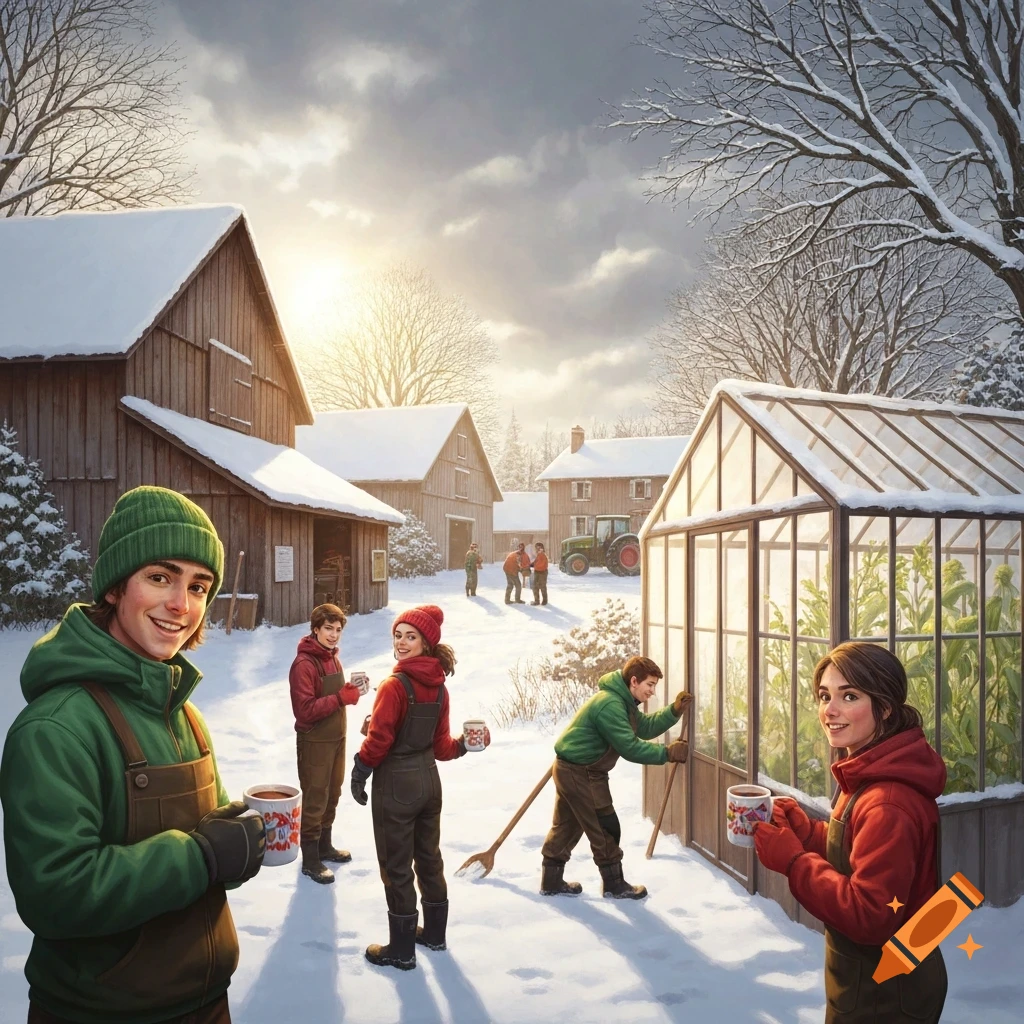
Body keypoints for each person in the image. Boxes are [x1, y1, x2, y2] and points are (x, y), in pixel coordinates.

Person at [0, 486, 266, 1024]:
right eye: (160, 577)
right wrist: (201, 857)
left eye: (199, 586)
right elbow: (54, 893)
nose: (181, 605)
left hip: (206, 1002)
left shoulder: (183, 712)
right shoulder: (58, 727)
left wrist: (236, 843)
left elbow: (204, 847)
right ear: (116, 587)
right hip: (98, 1013)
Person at [752, 642, 947, 1024]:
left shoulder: (886, 801)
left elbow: (870, 914)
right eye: (825, 696)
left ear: (885, 707)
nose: (830, 710)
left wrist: (794, 861)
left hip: (883, 995)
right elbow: (862, 853)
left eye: (850, 696)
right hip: (878, 980)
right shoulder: (870, 769)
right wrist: (807, 833)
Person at [349, 605, 490, 971]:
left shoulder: (396, 686)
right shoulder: (439, 688)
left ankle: (401, 950)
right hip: (429, 783)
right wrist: (467, 744)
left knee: (397, 867)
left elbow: (380, 741)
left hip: (396, 786)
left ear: (427, 643)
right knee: (429, 860)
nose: (401, 642)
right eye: (398, 635)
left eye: (411, 636)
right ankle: (435, 936)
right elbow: (442, 747)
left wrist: (361, 769)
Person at [540, 656, 691, 899]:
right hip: (582, 772)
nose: (652, 691)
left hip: (573, 768)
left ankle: (551, 881)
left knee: (568, 825)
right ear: (634, 681)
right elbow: (630, 747)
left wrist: (673, 711)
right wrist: (667, 753)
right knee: (604, 826)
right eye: (649, 685)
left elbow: (643, 727)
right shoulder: (610, 705)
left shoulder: (622, 701)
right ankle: (614, 885)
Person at [289, 603, 363, 885]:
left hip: (337, 737)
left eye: (338, 630)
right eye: (328, 629)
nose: (334, 635)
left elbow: (337, 697)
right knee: (315, 797)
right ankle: (309, 859)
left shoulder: (333, 658)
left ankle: (324, 847)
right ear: (316, 629)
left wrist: (353, 692)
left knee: (333, 792)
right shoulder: (304, 665)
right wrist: (342, 698)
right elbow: (305, 710)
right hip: (314, 741)